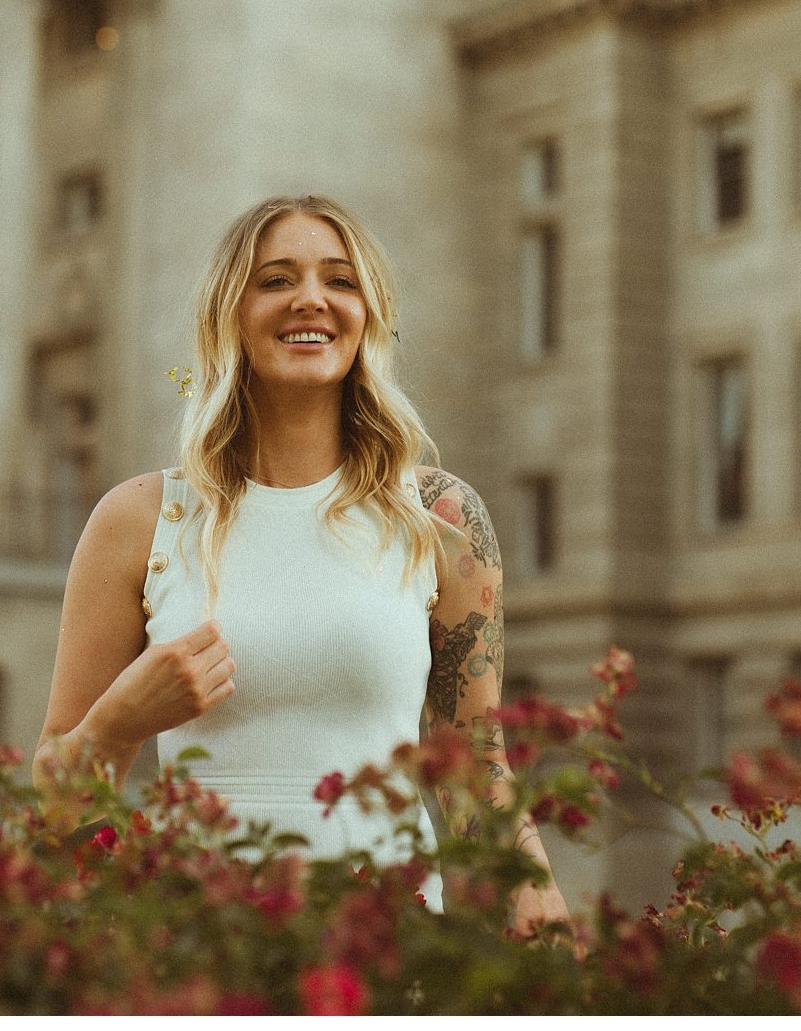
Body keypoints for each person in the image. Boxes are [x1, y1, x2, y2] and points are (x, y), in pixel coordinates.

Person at [33, 193, 571, 936]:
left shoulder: (441, 518)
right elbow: (54, 807)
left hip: (390, 950)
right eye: (276, 279)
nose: (311, 298)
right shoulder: (136, 520)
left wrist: (537, 904)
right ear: (230, 311)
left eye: (340, 280)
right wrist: (121, 722)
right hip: (201, 956)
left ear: (367, 315)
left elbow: (476, 764)